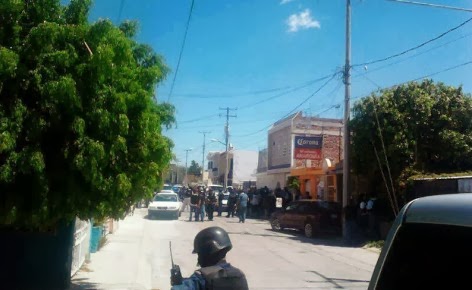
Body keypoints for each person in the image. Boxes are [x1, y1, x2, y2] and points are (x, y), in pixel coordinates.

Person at [170, 227, 249, 290]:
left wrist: (178, 283)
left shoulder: (201, 277)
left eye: (199, 254)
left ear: (207, 251)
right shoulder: (239, 274)